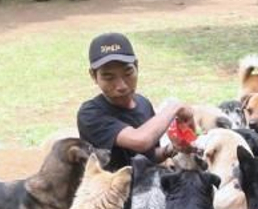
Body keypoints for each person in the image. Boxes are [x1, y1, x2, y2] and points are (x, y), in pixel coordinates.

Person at [76, 32, 183, 171]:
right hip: (114, 191)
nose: (121, 86)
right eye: (109, 78)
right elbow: (141, 141)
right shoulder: (90, 114)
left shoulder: (143, 104)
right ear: (93, 76)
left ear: (137, 66)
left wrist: (170, 149)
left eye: (128, 73)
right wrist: (175, 108)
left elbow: (149, 157)